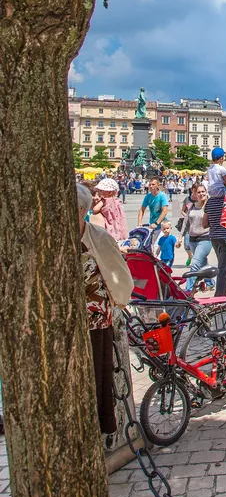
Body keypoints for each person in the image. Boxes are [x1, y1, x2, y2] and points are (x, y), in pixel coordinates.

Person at [77, 182, 134, 433]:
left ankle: (100, 429)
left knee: (99, 375)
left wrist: (116, 306)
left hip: (95, 321)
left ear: (80, 210)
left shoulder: (99, 238)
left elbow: (121, 277)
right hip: (68, 323)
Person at [176, 183, 213, 285]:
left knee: (195, 263)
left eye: (203, 191)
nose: (201, 194)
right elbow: (186, 222)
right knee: (203, 263)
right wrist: (180, 237)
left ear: (206, 193)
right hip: (192, 239)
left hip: (205, 238)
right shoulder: (192, 206)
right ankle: (210, 283)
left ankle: (189, 289)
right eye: (199, 192)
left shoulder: (210, 206)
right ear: (195, 194)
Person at [90, 177, 128, 241]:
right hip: (117, 222)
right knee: (116, 230)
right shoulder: (117, 201)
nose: (99, 192)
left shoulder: (104, 200)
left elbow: (95, 210)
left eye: (101, 190)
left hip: (108, 221)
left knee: (110, 231)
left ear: (110, 192)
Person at [137, 176, 168, 247]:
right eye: (150, 184)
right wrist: (139, 222)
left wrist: (156, 223)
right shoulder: (148, 196)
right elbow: (142, 210)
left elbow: (165, 211)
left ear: (158, 185)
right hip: (152, 225)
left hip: (162, 226)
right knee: (150, 246)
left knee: (158, 247)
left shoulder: (162, 196)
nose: (151, 186)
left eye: (153, 184)